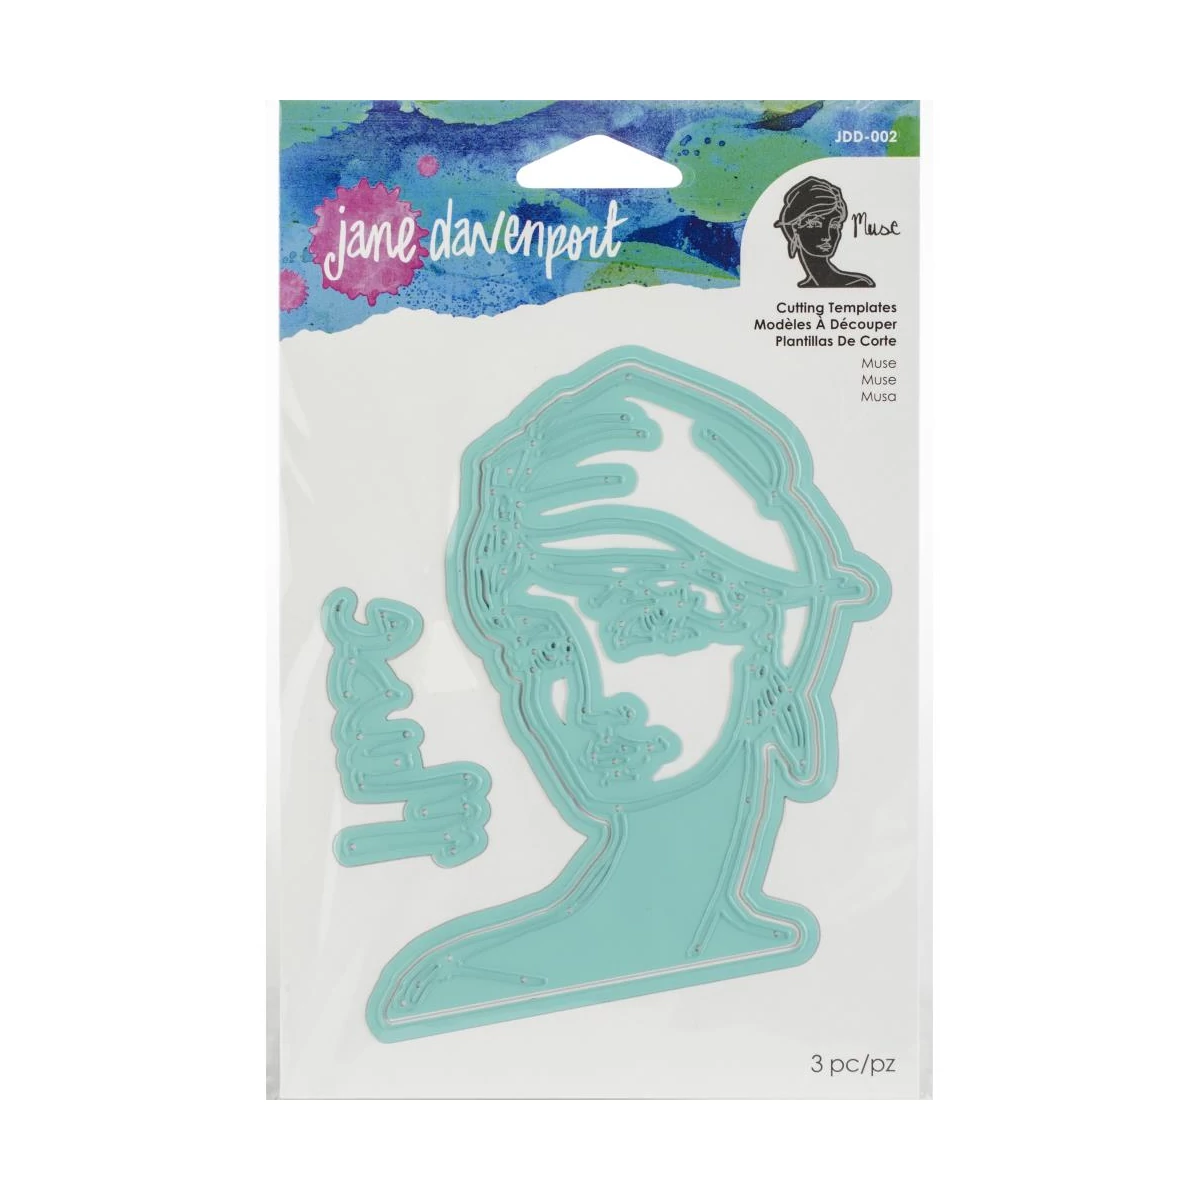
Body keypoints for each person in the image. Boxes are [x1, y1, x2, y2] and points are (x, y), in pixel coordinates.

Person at [363, 348, 889, 1041]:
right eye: (539, 645)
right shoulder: (462, 988)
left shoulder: (847, 982)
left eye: (646, 620)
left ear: (770, 635)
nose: (588, 698)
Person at [775, 176, 875, 288]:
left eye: (834, 225)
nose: (827, 236)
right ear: (794, 228)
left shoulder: (857, 285)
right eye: (815, 223)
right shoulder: (803, 287)